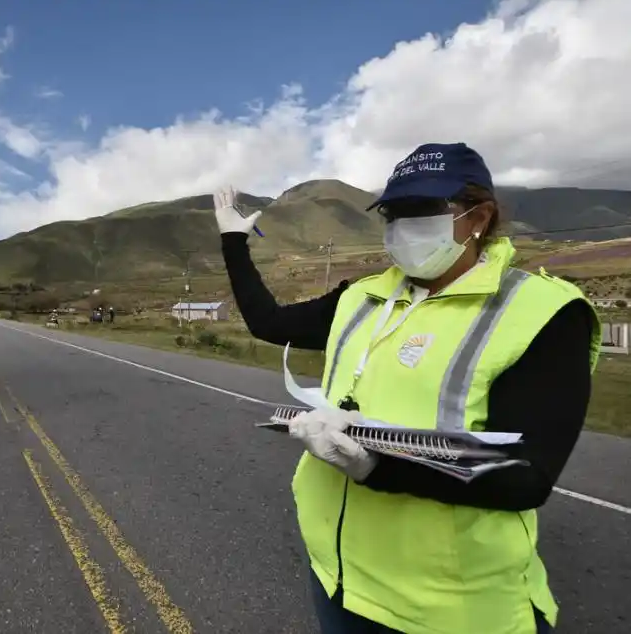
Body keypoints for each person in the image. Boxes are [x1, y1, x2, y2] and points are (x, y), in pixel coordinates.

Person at [215, 143, 601, 634]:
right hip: (339, 580)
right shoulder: (362, 297)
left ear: (478, 217)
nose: (401, 228)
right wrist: (233, 241)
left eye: (421, 211)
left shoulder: (542, 313)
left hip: (451, 610)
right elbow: (268, 322)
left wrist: (375, 465)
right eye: (393, 214)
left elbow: (524, 474)